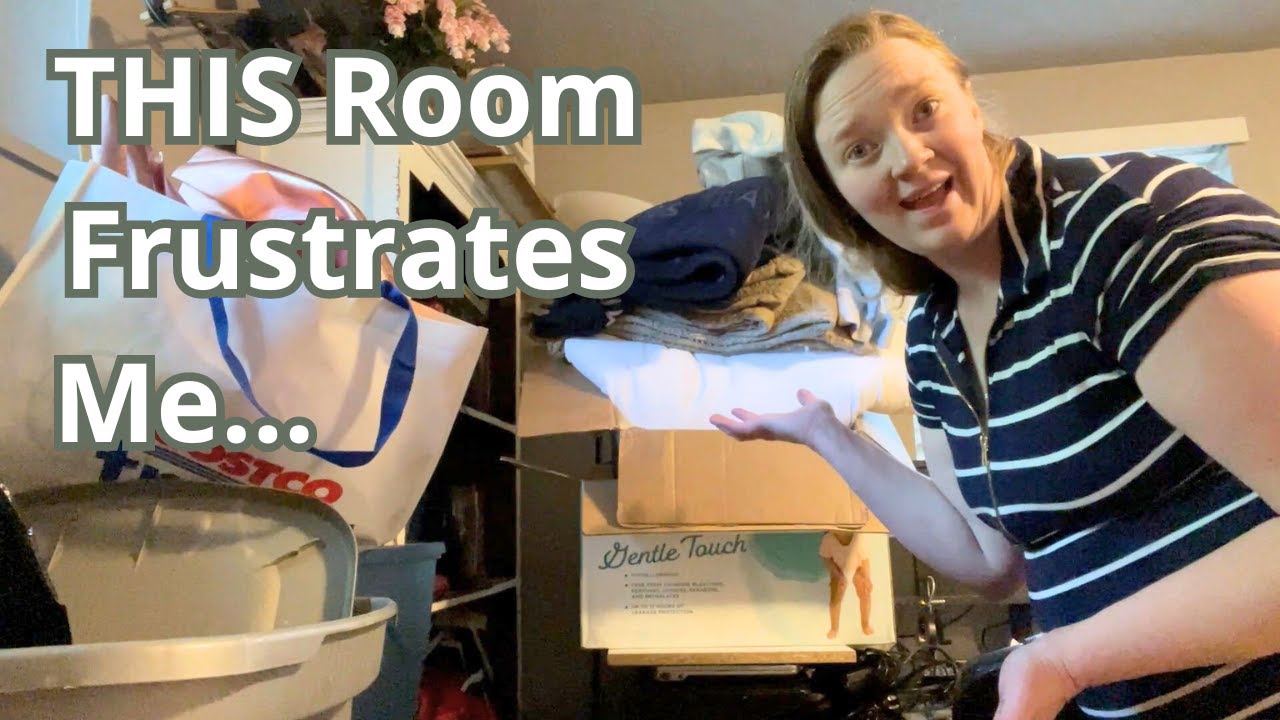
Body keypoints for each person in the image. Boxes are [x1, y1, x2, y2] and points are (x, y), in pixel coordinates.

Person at [711, 10, 1280, 720]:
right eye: (860, 149)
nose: (906, 157)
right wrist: (828, 435)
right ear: (837, 196)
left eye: (924, 109)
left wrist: (1066, 661)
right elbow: (990, 562)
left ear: (969, 99)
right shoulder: (934, 332)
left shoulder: (1129, 228)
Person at [818, 529, 875, 639]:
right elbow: (826, 558)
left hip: (857, 565)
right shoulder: (828, 539)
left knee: (865, 591)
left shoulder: (858, 537)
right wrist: (835, 572)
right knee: (836, 595)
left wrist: (867, 578)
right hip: (839, 567)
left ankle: (865, 624)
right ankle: (834, 628)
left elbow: (865, 559)